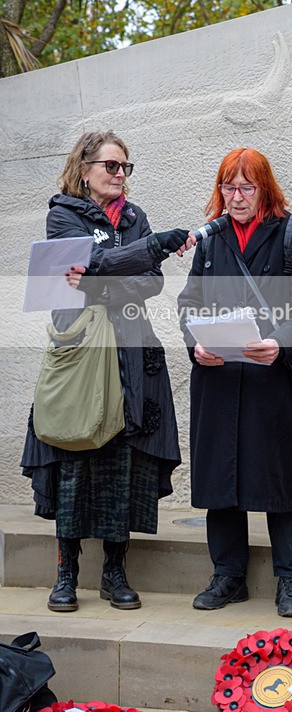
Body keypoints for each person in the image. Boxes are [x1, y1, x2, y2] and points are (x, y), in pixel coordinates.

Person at [22, 130, 193, 612]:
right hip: (82, 354)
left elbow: (151, 282)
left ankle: (114, 572)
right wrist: (147, 251)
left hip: (133, 353)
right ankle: (66, 573)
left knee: (123, 459)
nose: (120, 174)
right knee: (73, 458)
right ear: (84, 169)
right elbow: (91, 262)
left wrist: (101, 282)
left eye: (125, 167)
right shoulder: (63, 215)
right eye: (111, 166)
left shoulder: (135, 218)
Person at [177, 147, 292, 617]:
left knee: (279, 478)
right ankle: (227, 576)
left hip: (271, 379)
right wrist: (195, 345)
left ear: (265, 189)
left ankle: (289, 580)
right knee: (219, 476)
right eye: (228, 187)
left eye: (246, 187)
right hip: (217, 378)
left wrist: (280, 342)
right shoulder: (211, 238)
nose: (236, 197)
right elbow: (188, 304)